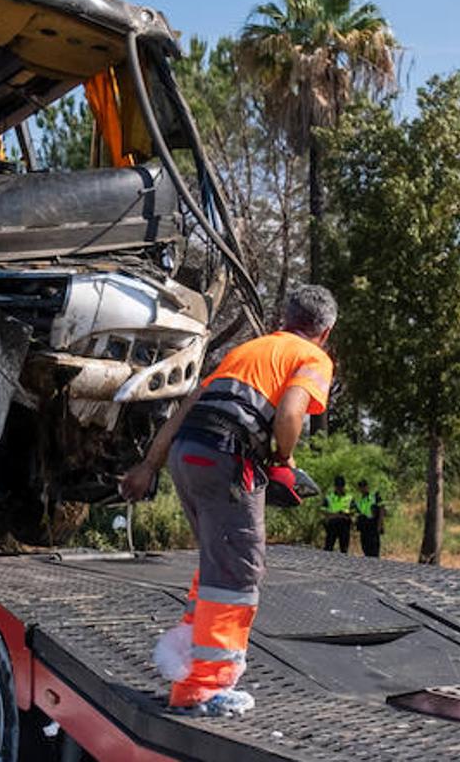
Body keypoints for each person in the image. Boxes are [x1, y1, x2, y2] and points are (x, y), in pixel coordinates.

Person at [121, 284, 336, 715]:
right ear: (325, 332)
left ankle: (189, 661)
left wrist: (148, 466)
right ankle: (202, 688)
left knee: (217, 567)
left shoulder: (249, 351)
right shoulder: (313, 357)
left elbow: (184, 409)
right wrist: (284, 459)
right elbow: (292, 412)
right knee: (237, 573)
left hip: (188, 454)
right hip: (227, 458)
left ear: (284, 319)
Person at [321, 476, 354, 554]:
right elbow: (323, 510)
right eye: (337, 486)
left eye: (341, 486)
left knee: (344, 548)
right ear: (335, 486)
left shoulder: (349, 498)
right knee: (328, 547)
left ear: (344, 486)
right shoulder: (329, 497)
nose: (339, 488)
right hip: (332, 523)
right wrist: (335, 515)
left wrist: (346, 514)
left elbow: (354, 511)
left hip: (344, 524)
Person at [353, 479, 385, 558]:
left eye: (364, 486)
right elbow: (357, 512)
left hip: (373, 525)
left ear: (367, 487)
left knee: (374, 550)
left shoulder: (375, 496)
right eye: (361, 487)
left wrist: (380, 525)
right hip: (364, 527)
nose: (363, 489)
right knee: (365, 548)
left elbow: (381, 510)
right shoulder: (359, 500)